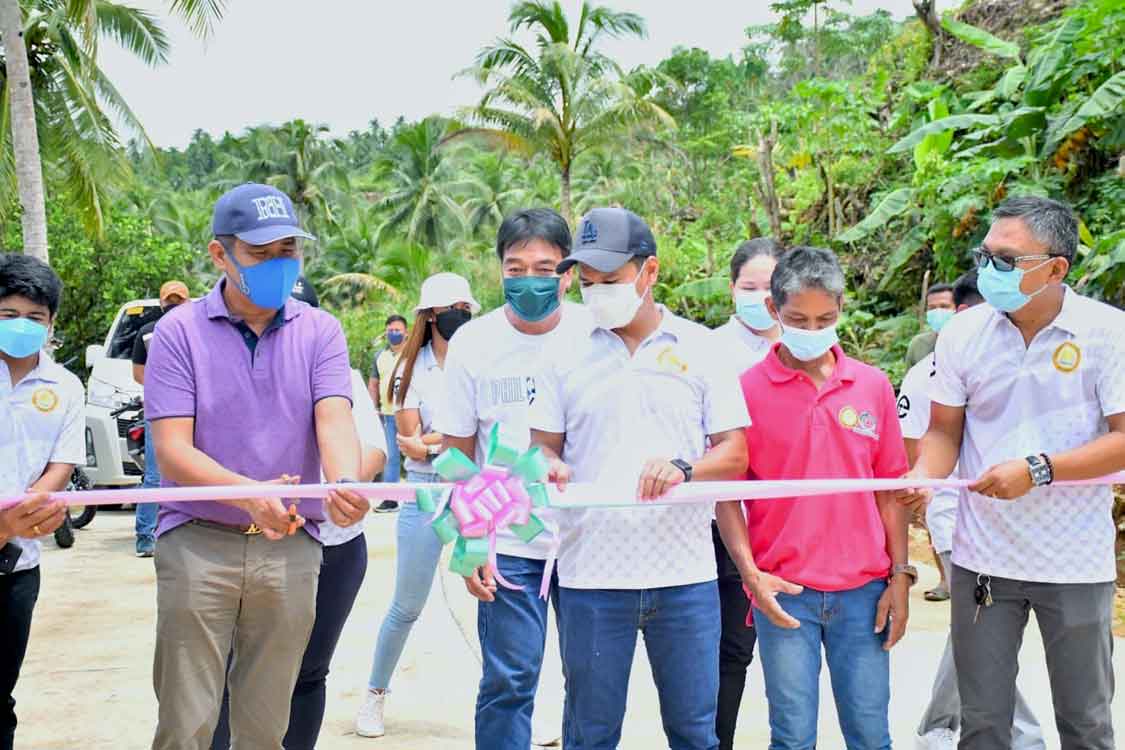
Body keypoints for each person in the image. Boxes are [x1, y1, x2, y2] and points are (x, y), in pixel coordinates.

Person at [144, 183, 370, 750]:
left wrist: (344, 482)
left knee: (268, 725)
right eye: (261, 254)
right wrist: (249, 494)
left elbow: (334, 419)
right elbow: (172, 448)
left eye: (288, 252)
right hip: (198, 544)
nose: (279, 266)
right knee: (187, 721)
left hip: (291, 545)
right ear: (221, 255)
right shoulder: (178, 333)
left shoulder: (321, 331)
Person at [899, 196, 1125, 750]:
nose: (988, 271)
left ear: (1055, 268)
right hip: (983, 559)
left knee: (1086, 721)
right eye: (985, 256)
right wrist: (925, 476)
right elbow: (944, 431)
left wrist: (1040, 470)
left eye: (1006, 259)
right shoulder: (963, 334)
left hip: (1074, 561)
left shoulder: (1108, 334)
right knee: (982, 720)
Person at [530, 207, 750, 750]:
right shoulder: (562, 352)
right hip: (590, 580)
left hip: (686, 578)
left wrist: (683, 467)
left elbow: (736, 453)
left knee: (696, 732)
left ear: (649, 273)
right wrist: (548, 466)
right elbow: (538, 449)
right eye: (587, 282)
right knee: (590, 732)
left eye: (612, 281)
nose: (598, 292)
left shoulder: (703, 347)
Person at [718, 245, 912, 750]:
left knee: (871, 733)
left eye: (826, 317)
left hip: (864, 593)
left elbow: (891, 491)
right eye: (799, 318)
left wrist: (900, 577)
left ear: (842, 309)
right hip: (785, 594)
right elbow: (726, 498)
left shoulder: (871, 386)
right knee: (792, 733)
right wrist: (752, 577)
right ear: (773, 311)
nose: (813, 327)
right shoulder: (742, 391)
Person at [434, 208, 591, 750]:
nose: (530, 280)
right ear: (498, 269)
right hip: (508, 543)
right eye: (516, 267)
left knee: (591, 683)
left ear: (568, 272)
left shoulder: (597, 335)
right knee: (509, 679)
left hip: (588, 542)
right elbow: (454, 458)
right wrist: (466, 545)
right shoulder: (474, 344)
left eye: (545, 268)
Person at [210, 278, 388, 750]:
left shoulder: (344, 377)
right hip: (255, 541)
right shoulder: (233, 369)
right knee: (236, 668)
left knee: (309, 671)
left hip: (334, 545)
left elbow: (371, 450)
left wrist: (342, 485)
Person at [900, 270, 1044, 750]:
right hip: (955, 517)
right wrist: (921, 491)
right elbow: (918, 448)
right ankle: (999, 731)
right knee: (977, 627)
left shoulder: (1028, 366)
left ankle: (943, 724)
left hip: (1019, 522)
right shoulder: (925, 375)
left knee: (976, 632)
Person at [356, 272, 480, 739]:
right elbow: (409, 446)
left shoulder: (484, 361)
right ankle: (375, 694)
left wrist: (435, 440)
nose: (460, 318)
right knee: (407, 605)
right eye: (453, 310)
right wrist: (445, 442)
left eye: (466, 310)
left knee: (490, 600)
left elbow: (474, 433)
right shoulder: (412, 371)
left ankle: (511, 702)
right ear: (430, 317)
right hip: (427, 494)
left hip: (474, 494)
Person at [0, 254, 79, 750]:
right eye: (8, 315)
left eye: (35, 317)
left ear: (51, 324)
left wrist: (23, 515)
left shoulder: (65, 387)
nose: (22, 326)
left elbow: (62, 464)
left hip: (16, 567)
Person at [708, 236, 784, 750]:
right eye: (748, 286)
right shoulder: (707, 350)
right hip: (721, 521)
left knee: (787, 644)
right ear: (732, 288)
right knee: (727, 647)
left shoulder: (807, 344)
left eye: (770, 287)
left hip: (785, 522)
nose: (758, 296)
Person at [131, 279, 190, 558]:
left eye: (178, 301)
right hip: (163, 412)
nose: (174, 305)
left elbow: (138, 374)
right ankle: (147, 537)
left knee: (168, 474)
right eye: (171, 301)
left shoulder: (193, 331)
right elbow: (138, 373)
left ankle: (159, 535)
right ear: (162, 302)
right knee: (157, 475)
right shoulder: (150, 332)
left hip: (181, 410)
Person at [369, 314, 408, 511]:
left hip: (410, 413)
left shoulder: (414, 353)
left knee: (418, 455)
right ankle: (391, 499)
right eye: (390, 330)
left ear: (406, 332)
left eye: (398, 330)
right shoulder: (379, 356)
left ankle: (419, 498)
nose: (394, 333)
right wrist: (372, 408)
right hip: (388, 414)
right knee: (391, 456)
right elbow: (374, 384)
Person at [905, 283, 955, 367]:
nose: (938, 311)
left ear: (958, 309)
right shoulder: (918, 345)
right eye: (932, 308)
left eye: (944, 306)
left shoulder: (971, 342)